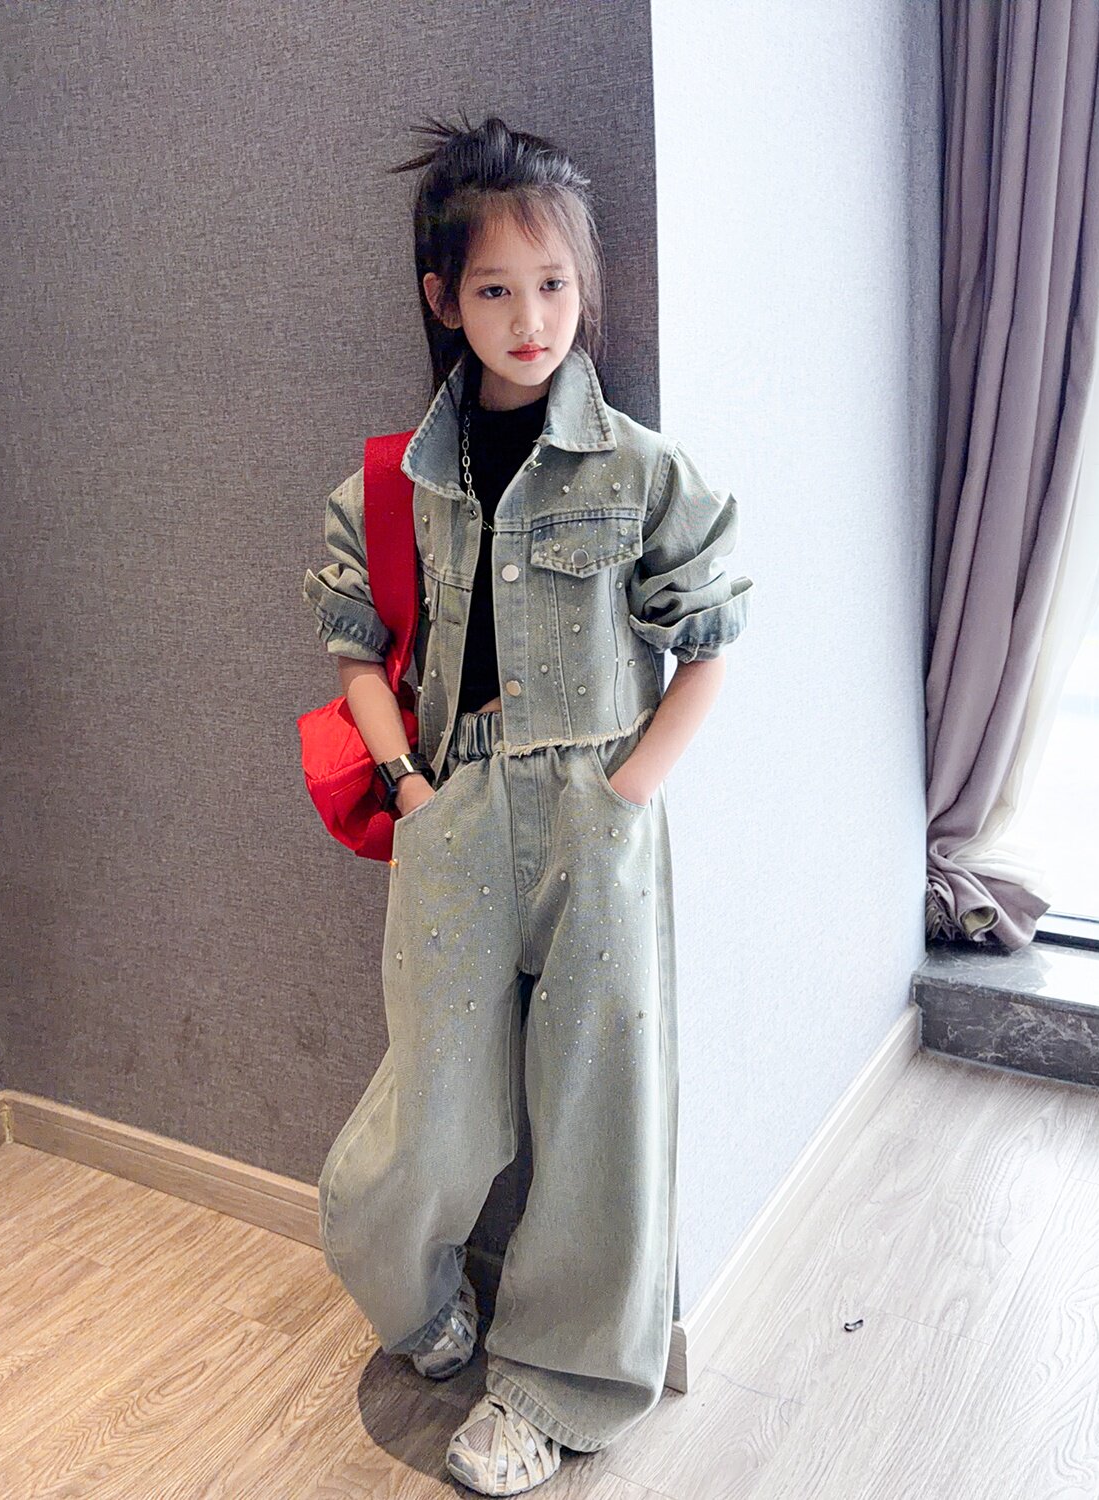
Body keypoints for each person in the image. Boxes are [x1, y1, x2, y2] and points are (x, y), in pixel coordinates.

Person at [302, 111, 753, 1496]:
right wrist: (410, 785)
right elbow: (355, 651)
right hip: (452, 808)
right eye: (496, 289)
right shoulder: (394, 484)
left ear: (584, 284)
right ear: (444, 299)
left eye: (553, 284)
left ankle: (554, 1388)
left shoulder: (642, 471)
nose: (531, 318)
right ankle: (410, 1290)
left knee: (599, 1105)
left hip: (597, 812)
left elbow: (710, 643)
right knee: (436, 1103)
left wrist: (624, 795)